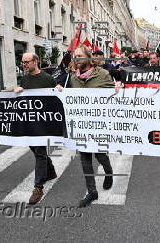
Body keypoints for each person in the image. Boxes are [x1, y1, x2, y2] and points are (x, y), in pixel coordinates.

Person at [67, 44, 114, 208]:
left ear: (88, 57)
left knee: (100, 155)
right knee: (85, 157)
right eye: (75, 56)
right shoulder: (73, 78)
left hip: (99, 124)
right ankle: (91, 191)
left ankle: (108, 172)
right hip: (82, 124)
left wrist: (118, 90)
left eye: (79, 56)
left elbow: (113, 98)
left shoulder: (103, 74)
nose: (76, 59)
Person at [14, 53, 57, 204]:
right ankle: (50, 171)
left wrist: (58, 89)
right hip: (29, 121)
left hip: (43, 123)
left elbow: (56, 100)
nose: (23, 65)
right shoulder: (24, 79)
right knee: (36, 150)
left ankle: (38, 187)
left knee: (39, 152)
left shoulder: (47, 78)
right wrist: (17, 91)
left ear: (36, 62)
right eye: (22, 62)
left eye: (26, 62)